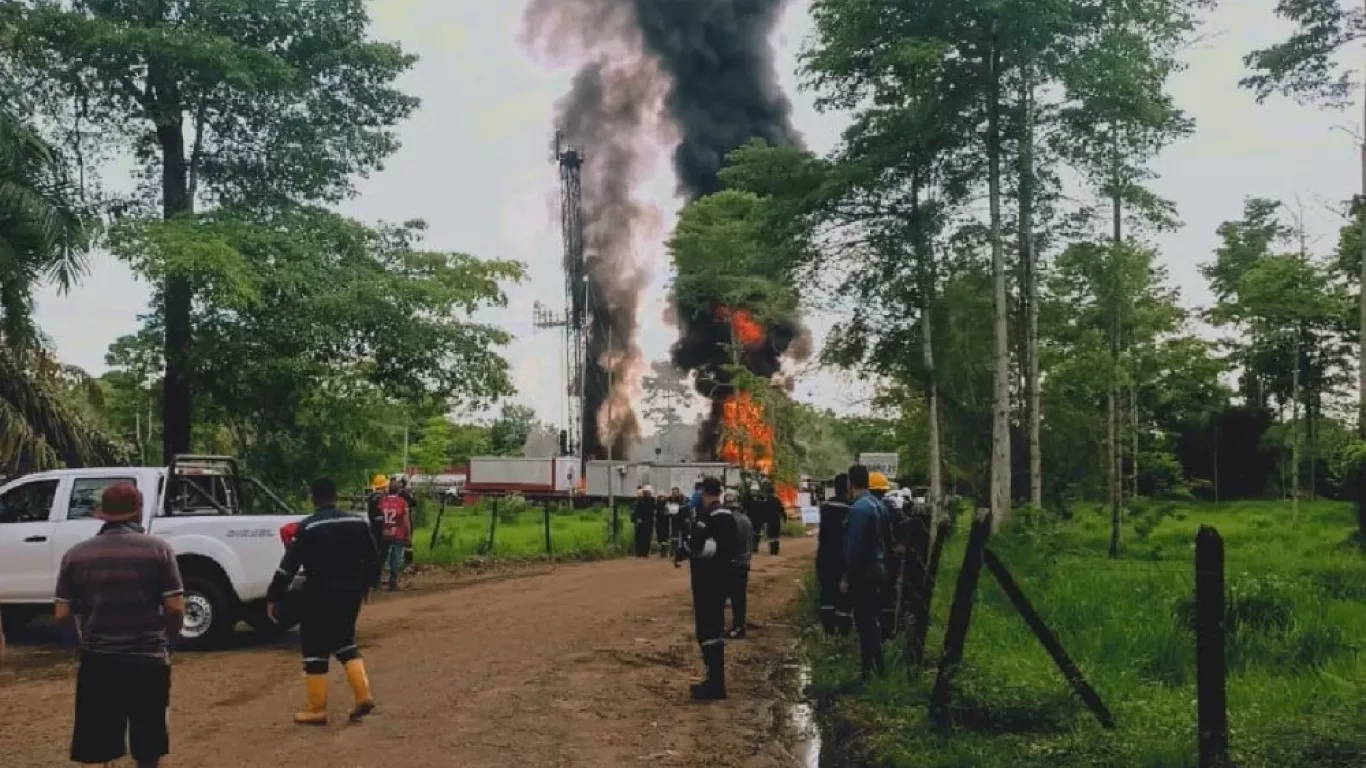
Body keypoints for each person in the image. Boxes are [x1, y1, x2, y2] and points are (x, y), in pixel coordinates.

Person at [53, 482, 185, 767]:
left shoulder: (76, 555)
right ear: (138, 511)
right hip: (147, 659)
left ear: (103, 513)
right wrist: (168, 643)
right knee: (148, 745)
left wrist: (78, 647)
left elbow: (62, 613)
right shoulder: (159, 550)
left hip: (98, 660)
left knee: (99, 745)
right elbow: (175, 607)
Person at [267, 478, 381, 725]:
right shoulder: (358, 522)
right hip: (351, 593)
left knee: (314, 648)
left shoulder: (308, 528)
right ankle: (363, 694)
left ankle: (317, 709)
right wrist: (369, 585)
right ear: (335, 496)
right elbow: (373, 558)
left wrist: (273, 596)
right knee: (344, 641)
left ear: (313, 498)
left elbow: (288, 568)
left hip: (318, 595)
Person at [687, 476, 739, 700]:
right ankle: (716, 682)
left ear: (704, 493)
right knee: (716, 626)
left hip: (707, 579)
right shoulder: (729, 515)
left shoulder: (708, 515)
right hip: (725, 577)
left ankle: (714, 684)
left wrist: (684, 550)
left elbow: (695, 543)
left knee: (706, 629)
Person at [843, 464, 886, 680]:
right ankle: (877, 668)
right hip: (877, 569)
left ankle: (869, 671)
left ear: (850, 482)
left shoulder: (859, 509)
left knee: (864, 622)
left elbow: (855, 548)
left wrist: (847, 578)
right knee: (871, 620)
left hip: (864, 574)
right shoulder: (878, 505)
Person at [817, 473, 853, 637]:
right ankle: (843, 634)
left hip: (824, 557)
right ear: (848, 487)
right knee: (843, 599)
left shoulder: (825, 506)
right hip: (843, 559)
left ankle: (828, 632)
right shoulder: (852, 509)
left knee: (827, 595)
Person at [726, 491, 754, 639]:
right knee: (739, 597)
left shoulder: (728, 521)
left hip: (731, 562)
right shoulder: (746, 519)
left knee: (726, 596)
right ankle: (739, 625)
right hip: (743, 561)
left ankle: (736, 627)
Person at [377, 480, 411, 591]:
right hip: (398, 533)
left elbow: (379, 517)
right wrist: (408, 533)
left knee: (382, 556)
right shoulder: (402, 502)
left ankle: (376, 580)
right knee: (395, 557)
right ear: (398, 490)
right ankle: (393, 582)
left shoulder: (382, 501)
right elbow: (405, 520)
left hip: (385, 532)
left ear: (388, 490)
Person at [631, 486, 656, 558]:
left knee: (647, 537)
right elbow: (635, 512)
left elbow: (653, 511)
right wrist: (636, 519)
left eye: (648, 492)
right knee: (638, 537)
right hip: (640, 521)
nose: (646, 493)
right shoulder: (638, 501)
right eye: (645, 492)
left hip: (648, 522)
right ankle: (638, 552)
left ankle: (645, 553)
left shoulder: (652, 501)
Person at [666, 487, 689, 563]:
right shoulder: (670, 499)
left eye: (675, 492)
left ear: (678, 492)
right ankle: (674, 552)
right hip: (674, 520)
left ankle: (682, 553)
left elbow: (686, 508)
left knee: (682, 537)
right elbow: (668, 509)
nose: (674, 494)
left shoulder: (683, 499)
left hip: (682, 520)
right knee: (674, 536)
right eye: (673, 492)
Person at [763, 485, 785, 555]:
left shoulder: (766, 501)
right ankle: (776, 551)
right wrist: (784, 518)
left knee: (771, 536)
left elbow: (763, 511)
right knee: (776, 535)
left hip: (769, 520)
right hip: (777, 519)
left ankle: (772, 551)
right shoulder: (778, 500)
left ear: (767, 493)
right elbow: (782, 510)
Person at [653, 487, 672, 558]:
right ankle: (661, 551)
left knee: (665, 536)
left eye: (662, 496)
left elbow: (669, 511)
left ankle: (665, 551)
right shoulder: (656, 504)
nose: (661, 498)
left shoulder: (667, 503)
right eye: (660, 496)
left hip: (665, 522)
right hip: (659, 522)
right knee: (660, 536)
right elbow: (657, 511)